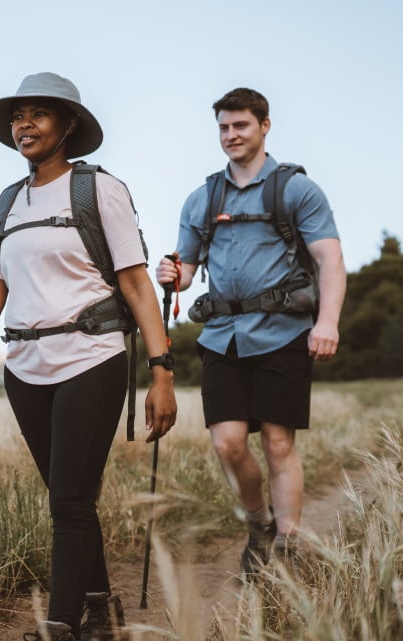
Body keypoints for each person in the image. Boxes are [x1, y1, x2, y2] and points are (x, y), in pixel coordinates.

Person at [0, 73, 177, 641]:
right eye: (18, 117)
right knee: (72, 497)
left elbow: (137, 283)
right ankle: (101, 615)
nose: (25, 125)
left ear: (67, 126)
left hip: (92, 357)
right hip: (24, 369)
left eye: (39, 115)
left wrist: (162, 369)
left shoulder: (100, 190)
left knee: (66, 499)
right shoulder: (3, 206)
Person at [155, 88, 346, 578]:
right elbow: (189, 269)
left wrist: (327, 322)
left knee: (279, 444)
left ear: (264, 126)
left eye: (240, 125)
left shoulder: (297, 190)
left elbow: (329, 259)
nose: (230, 135)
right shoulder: (203, 198)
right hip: (222, 336)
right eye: (223, 127)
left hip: (284, 333)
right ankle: (259, 523)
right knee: (227, 444)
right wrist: (171, 274)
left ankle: (286, 545)